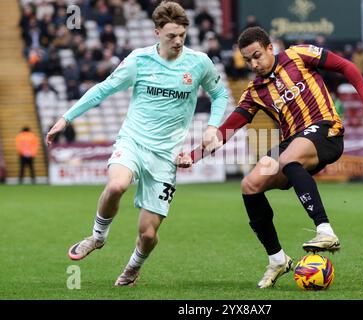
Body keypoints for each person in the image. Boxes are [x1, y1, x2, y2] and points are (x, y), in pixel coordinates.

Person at [182, 27, 363, 288]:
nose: (254, 64)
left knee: (288, 158)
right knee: (250, 185)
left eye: (257, 56)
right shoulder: (255, 92)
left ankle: (325, 230)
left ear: (270, 48)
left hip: (325, 129)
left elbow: (345, 66)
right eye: (248, 60)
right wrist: (193, 156)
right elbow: (226, 132)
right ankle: (277, 259)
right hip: (292, 143)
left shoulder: (299, 54)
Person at [46, 1, 228, 287]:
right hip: (133, 141)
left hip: (166, 156)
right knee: (117, 184)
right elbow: (104, 88)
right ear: (157, 32)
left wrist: (212, 127)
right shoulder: (138, 60)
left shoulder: (199, 62)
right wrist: (66, 118)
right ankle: (97, 236)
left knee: (147, 235)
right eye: (171, 35)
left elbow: (220, 96)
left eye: (182, 34)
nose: (178, 41)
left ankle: (132, 268)